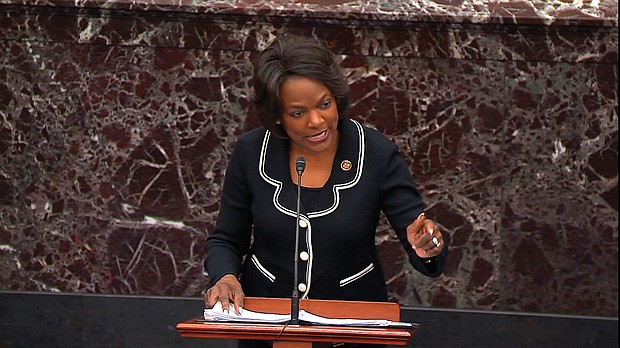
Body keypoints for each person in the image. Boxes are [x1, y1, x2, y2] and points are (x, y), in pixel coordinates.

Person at [203, 34, 448, 348]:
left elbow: (422, 242)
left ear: (337, 96)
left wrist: (427, 246)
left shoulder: (374, 152)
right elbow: (226, 238)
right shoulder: (252, 152)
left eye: (324, 104)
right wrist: (225, 277)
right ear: (276, 115)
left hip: (352, 331)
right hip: (266, 329)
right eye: (297, 113)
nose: (316, 121)